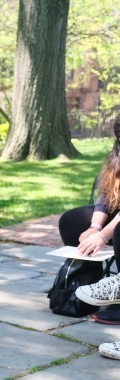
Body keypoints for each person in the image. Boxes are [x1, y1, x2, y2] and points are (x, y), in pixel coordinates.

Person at [66, 116, 120, 352]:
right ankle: (83, 280)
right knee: (71, 221)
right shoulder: (115, 156)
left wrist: (103, 236)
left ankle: (117, 297)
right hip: (114, 210)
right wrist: (95, 227)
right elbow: (105, 196)